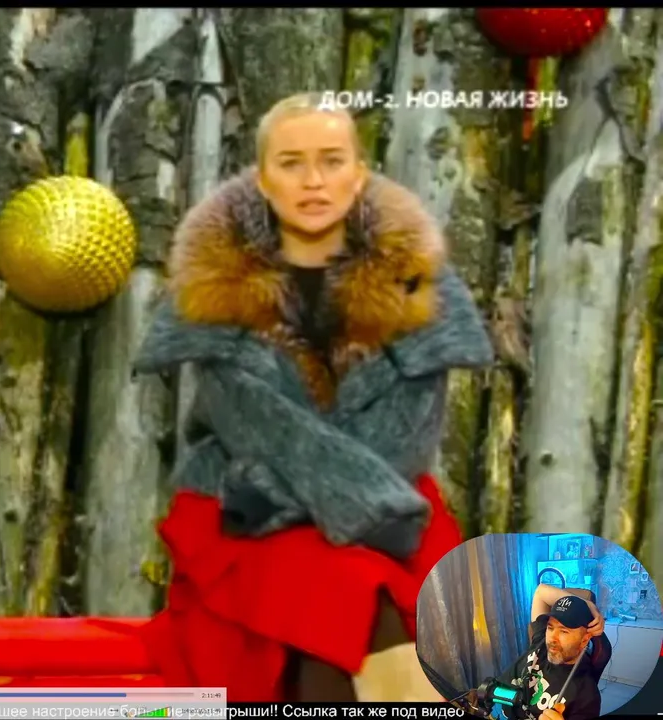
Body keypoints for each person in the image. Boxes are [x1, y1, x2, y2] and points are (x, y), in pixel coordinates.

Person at [133, 92, 494, 701]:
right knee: (344, 593)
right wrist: (293, 502)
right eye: (291, 163)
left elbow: (408, 436)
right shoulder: (216, 289)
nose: (313, 181)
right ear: (262, 179)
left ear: (359, 174)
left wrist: (336, 506)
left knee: (360, 591)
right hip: (243, 518)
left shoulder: (418, 289)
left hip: (385, 509)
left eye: (331, 160)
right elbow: (251, 425)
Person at [504, 586, 604, 720]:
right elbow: (540, 592)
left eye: (564, 631)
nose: (552, 638)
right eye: (550, 628)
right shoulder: (541, 640)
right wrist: (589, 605)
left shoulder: (586, 696)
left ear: (584, 640)